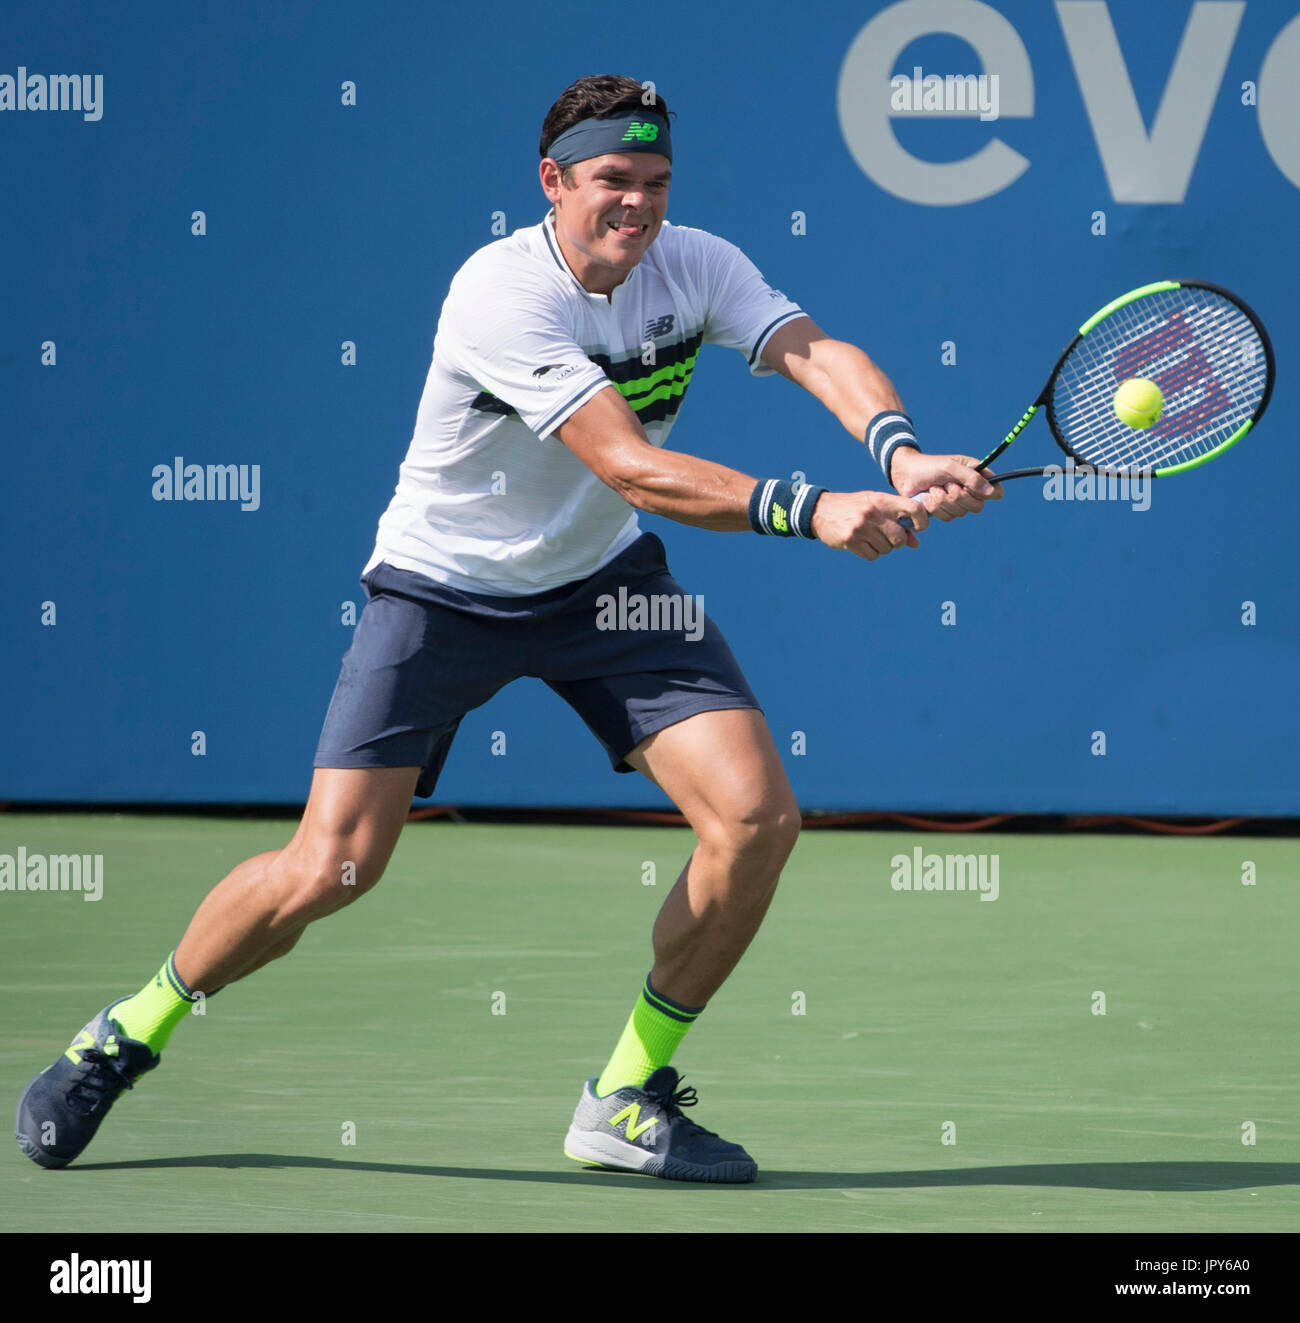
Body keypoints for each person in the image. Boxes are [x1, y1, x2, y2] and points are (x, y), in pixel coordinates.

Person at [15, 74, 999, 1184]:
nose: (637, 206)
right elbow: (629, 463)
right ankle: (127, 1033)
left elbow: (814, 349)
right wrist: (811, 510)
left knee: (756, 818)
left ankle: (623, 1096)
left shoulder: (698, 264)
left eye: (656, 183)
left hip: (602, 583)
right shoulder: (498, 292)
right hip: (440, 591)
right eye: (612, 182)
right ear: (553, 183)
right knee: (332, 867)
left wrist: (898, 451)